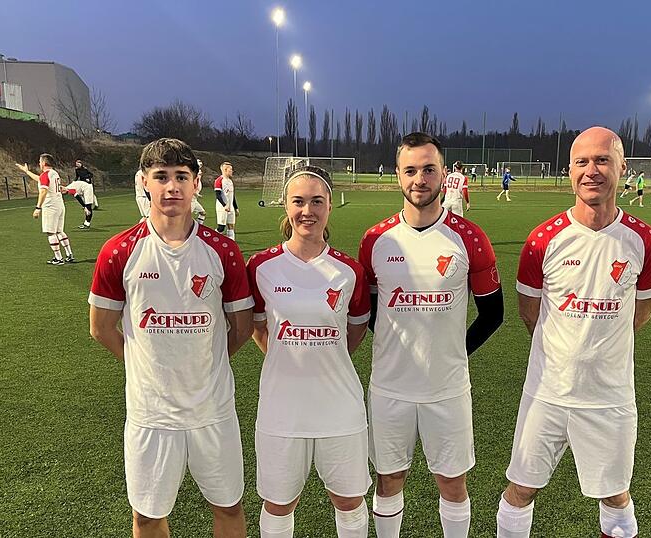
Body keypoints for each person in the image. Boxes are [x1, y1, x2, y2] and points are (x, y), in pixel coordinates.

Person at [496, 127, 651, 538]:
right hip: (548, 392)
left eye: (603, 160)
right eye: (582, 162)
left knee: (616, 496)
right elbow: (530, 313)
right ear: (570, 170)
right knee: (521, 489)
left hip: (610, 397)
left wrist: (599, 347)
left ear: (623, 168)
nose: (592, 171)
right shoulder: (542, 240)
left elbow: (639, 314)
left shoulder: (645, 241)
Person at [88, 138, 254, 538]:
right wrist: (146, 364)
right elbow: (101, 328)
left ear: (197, 183)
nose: (171, 187)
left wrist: (205, 361)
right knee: (147, 516)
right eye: (161, 177)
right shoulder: (119, 251)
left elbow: (243, 327)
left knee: (229, 507)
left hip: (212, 410)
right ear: (145, 182)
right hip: (151, 414)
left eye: (181, 176)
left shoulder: (223, 251)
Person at [358, 132, 504, 538]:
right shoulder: (375, 239)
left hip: (447, 387)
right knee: (389, 480)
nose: (419, 179)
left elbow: (493, 314)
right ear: (398, 176)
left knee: (452, 483)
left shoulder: (470, 238)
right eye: (410, 170)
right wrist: (396, 342)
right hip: (390, 387)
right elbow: (368, 310)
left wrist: (455, 353)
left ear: (444, 173)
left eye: (428, 169)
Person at [247, 164, 372, 538]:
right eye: (298, 201)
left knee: (349, 500)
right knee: (279, 503)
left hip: (339, 405)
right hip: (282, 405)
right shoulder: (260, 266)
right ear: (285, 206)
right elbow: (256, 325)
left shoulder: (349, 271)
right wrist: (286, 356)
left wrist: (324, 357)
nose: (308, 211)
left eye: (317, 201)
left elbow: (356, 328)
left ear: (330, 206)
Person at [16, 154, 75, 265]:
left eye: (40, 161)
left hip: (50, 206)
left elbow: (43, 191)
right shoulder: (54, 173)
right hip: (60, 205)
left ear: (43, 163)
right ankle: (69, 254)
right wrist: (27, 172)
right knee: (59, 231)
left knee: (51, 233)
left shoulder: (46, 174)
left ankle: (58, 258)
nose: (39, 163)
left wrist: (38, 207)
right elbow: (40, 179)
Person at [214, 161, 238, 240]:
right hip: (222, 207)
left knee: (231, 226)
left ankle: (232, 244)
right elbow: (218, 195)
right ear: (225, 170)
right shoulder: (219, 180)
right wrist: (224, 205)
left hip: (230, 207)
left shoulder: (230, 181)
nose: (232, 171)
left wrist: (236, 207)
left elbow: (232, 195)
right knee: (221, 228)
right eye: (230, 170)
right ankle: (212, 240)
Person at [191, 159, 207, 225]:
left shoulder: (197, 179)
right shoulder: (192, 176)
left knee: (203, 213)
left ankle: (198, 226)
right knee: (185, 217)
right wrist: (197, 194)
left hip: (194, 200)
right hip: (191, 200)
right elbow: (189, 188)